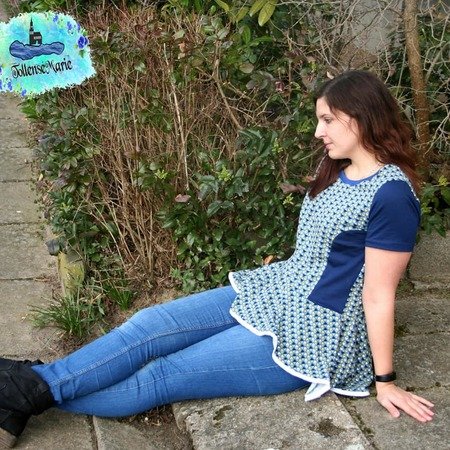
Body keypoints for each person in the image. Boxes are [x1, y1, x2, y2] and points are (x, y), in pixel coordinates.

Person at [0, 70, 435, 448]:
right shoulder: (337, 166)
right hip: (279, 291)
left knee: (160, 376)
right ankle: (23, 390)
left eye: (327, 120)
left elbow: (379, 294)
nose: (318, 131)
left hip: (316, 334)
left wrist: (385, 382)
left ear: (362, 116)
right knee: (150, 324)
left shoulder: (393, 195)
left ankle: (19, 390)